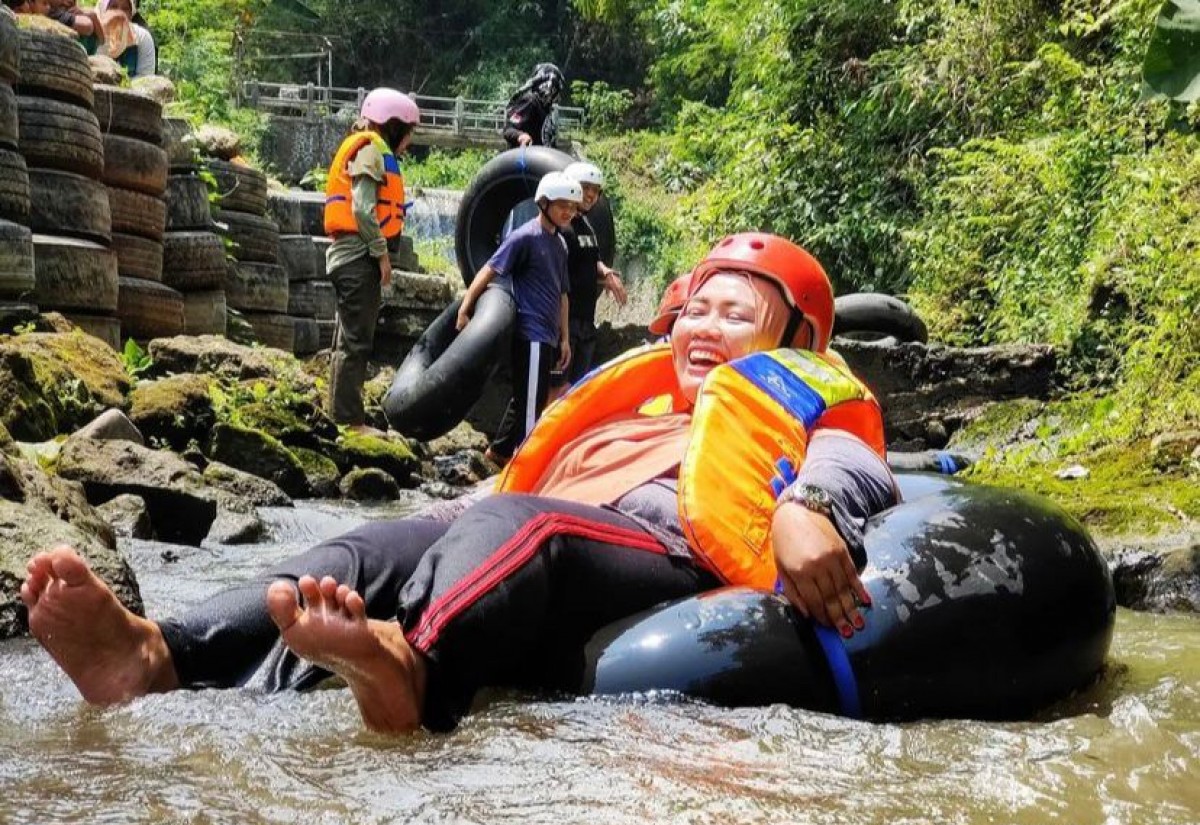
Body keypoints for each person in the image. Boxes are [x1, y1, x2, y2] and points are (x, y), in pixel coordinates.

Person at [20, 232, 899, 736]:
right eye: (695, 310)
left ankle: (415, 670)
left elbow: (852, 467)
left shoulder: (807, 403)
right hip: (532, 524)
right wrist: (443, 519)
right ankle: (158, 652)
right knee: (368, 544)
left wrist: (808, 511)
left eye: (736, 315)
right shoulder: (630, 405)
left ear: (796, 340)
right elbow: (511, 489)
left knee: (523, 529)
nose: (704, 327)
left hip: (668, 546)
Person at [457, 170, 579, 465]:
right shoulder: (524, 237)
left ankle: (497, 453)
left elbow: (563, 294)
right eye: (562, 205)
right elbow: (491, 268)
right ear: (544, 203)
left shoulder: (560, 244)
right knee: (531, 406)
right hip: (531, 333)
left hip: (549, 336)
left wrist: (564, 338)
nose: (568, 212)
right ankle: (523, 466)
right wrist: (466, 306)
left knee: (528, 398)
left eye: (573, 207)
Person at [323, 87, 419, 435]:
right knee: (356, 340)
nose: (408, 142)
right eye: (408, 133)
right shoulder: (371, 153)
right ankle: (349, 421)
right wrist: (381, 254)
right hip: (357, 258)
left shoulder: (371, 149)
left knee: (346, 338)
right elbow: (362, 209)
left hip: (351, 257)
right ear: (394, 126)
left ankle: (338, 414)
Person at [547, 161, 627, 394]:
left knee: (578, 388)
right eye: (586, 187)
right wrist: (561, 331)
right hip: (563, 321)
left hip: (585, 321)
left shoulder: (586, 226)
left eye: (596, 190)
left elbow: (593, 260)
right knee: (556, 387)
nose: (591, 194)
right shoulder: (560, 226)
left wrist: (606, 273)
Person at [502, 62, 563, 149]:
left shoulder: (547, 110)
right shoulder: (530, 101)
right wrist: (520, 136)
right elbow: (508, 129)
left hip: (541, 159)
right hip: (525, 159)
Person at [96, 0, 153, 78]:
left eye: (125, 9)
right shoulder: (92, 34)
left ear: (131, 14)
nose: (119, 13)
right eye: (113, 7)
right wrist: (104, 29)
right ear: (103, 10)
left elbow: (146, 76)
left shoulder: (142, 37)